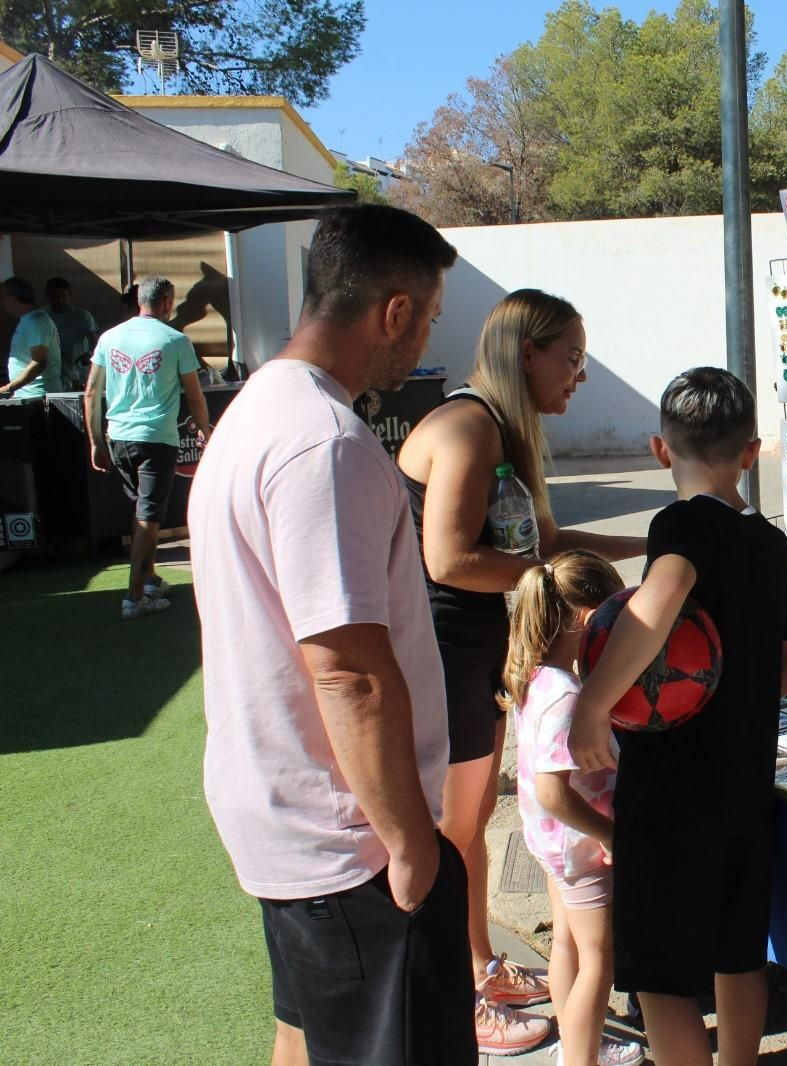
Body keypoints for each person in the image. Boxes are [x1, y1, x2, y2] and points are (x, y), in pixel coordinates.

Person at [187, 204, 477, 1066]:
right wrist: (410, 843)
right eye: (427, 319)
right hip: (349, 840)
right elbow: (348, 671)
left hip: (295, 818)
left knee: (305, 1036)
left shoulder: (256, 413)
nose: (424, 340)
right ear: (395, 311)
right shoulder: (325, 443)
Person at [395, 288, 644, 1054]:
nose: (580, 375)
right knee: (453, 832)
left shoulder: (504, 430)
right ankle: (462, 995)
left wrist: (656, 544)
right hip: (443, 649)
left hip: (479, 644)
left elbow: (549, 544)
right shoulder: (468, 427)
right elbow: (449, 559)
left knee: (470, 826)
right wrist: (551, 583)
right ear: (526, 352)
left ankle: (481, 968)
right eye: (571, 358)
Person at [569, 367, 787, 1066]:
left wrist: (592, 704)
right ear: (751, 452)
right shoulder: (769, 541)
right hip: (745, 785)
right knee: (739, 956)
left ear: (659, 450)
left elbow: (666, 589)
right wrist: (746, 701)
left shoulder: (676, 525)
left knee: (662, 977)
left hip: (671, 793)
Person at [503, 551, 645, 1066]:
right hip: (580, 849)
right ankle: (582, 1057)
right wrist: (608, 833)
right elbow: (553, 791)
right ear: (588, 619)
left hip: (552, 844)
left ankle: (577, 1044)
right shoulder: (567, 695)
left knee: (567, 943)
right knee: (597, 963)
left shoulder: (538, 676)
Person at [85, 276, 211, 619]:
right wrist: (205, 430)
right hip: (155, 439)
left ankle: (150, 579)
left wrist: (96, 442)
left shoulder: (110, 337)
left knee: (142, 513)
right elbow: (195, 395)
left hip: (119, 437)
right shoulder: (175, 340)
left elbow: (91, 392)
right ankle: (135, 597)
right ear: (167, 301)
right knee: (148, 517)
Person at [1, 277, 64, 399]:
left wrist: (8, 388)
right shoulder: (27, 321)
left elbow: (39, 362)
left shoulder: (35, 321)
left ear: (12, 299)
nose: (2, 303)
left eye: (3, 298)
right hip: (30, 396)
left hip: (39, 398)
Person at [43, 277, 98, 389]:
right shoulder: (42, 317)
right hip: (53, 373)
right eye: (55, 297)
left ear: (70, 295)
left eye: (64, 297)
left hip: (78, 372)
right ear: (47, 295)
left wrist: (89, 354)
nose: (60, 301)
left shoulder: (82, 315)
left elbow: (95, 343)